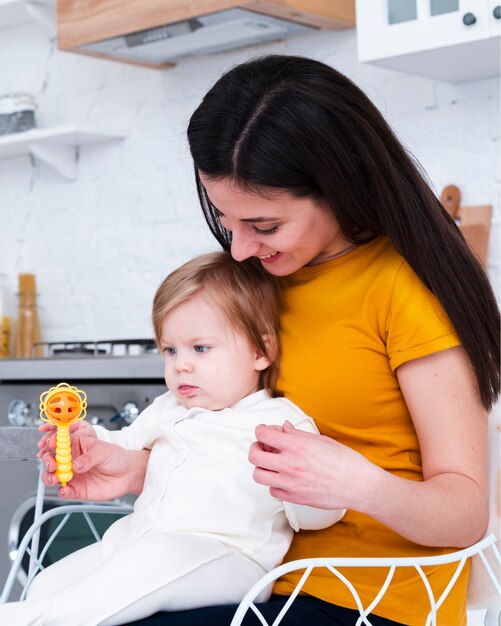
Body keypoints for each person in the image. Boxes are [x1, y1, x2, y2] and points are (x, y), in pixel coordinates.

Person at [39, 55, 499, 626]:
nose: (238, 250)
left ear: (340, 188)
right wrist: (138, 469)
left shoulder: (406, 291)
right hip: (251, 575)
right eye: (228, 220)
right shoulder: (259, 281)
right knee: (52, 593)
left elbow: (465, 514)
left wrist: (360, 484)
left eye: (264, 226)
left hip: (367, 599)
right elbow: (232, 448)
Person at [4, 251, 344, 626]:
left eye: (200, 348)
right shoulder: (169, 407)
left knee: (150, 561)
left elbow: (321, 515)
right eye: (170, 350)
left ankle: (27, 619)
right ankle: (37, 608)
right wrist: (89, 440)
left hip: (229, 559)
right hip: (138, 540)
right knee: (50, 582)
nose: (181, 364)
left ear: (261, 351)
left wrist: (300, 486)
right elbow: (127, 442)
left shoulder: (280, 424)